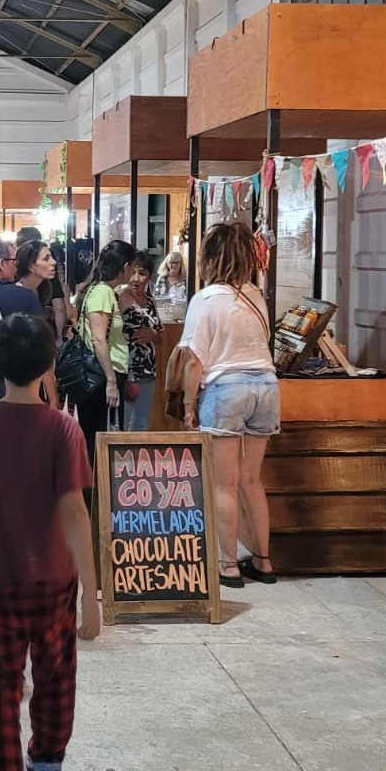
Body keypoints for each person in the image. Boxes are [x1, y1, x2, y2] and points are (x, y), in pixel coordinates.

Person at [0, 313, 100, 771]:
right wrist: (92, 596)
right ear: (50, 361)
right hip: (53, 582)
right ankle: (46, 759)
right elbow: (74, 512)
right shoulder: (63, 430)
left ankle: (4, 767)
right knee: (55, 678)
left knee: (0, 684)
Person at [180, 223, 278, 589]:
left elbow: (193, 361)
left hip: (226, 388)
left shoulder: (206, 299)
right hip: (266, 387)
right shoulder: (255, 295)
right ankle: (263, 561)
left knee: (224, 483)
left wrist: (190, 405)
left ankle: (228, 565)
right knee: (251, 479)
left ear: (209, 258)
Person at [72, 240, 138, 463]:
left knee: (97, 435)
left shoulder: (101, 290)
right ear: (126, 266)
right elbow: (98, 339)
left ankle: (94, 490)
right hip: (100, 375)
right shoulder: (102, 292)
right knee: (99, 437)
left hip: (100, 373)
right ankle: (95, 492)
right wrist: (111, 380)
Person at [0, 236, 41, 406]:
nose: (16, 266)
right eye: (13, 261)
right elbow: (40, 346)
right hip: (13, 388)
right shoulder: (25, 296)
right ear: (2, 263)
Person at [119, 253, 162, 432]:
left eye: (142, 273)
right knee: (124, 421)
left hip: (148, 367)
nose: (136, 279)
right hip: (126, 367)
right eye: (133, 272)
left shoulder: (150, 300)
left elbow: (160, 335)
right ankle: (121, 460)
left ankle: (138, 459)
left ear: (150, 276)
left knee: (142, 423)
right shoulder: (119, 296)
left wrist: (153, 334)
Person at [17, 226, 68, 335]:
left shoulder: (44, 287)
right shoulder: (19, 294)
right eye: (46, 258)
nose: (53, 262)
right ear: (31, 266)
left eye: (51, 257)